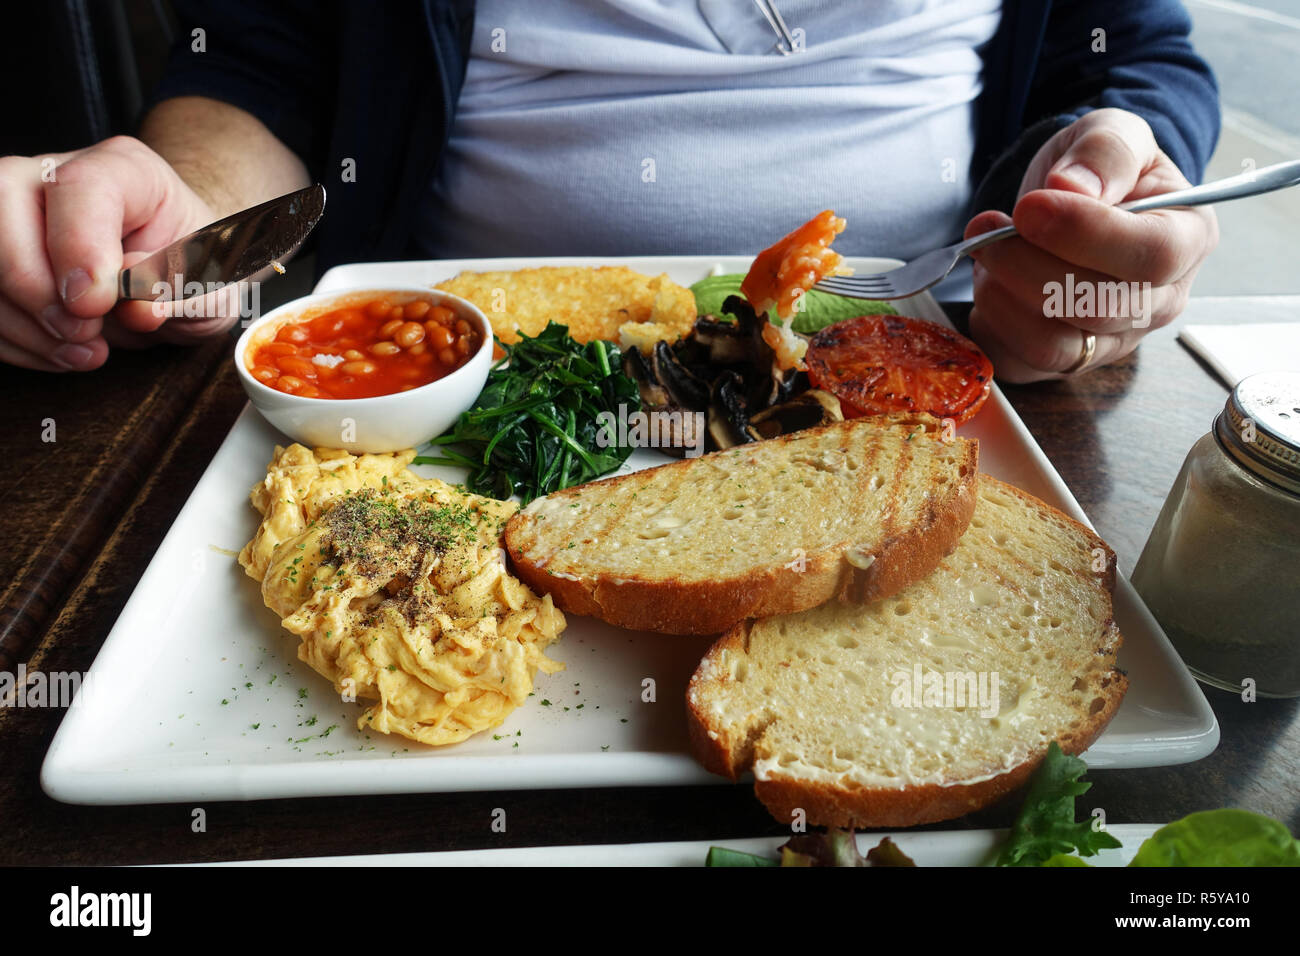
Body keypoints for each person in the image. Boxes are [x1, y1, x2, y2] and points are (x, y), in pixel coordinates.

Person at [0, 0, 1220, 383]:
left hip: (941, 350)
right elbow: (258, 59)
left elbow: (1135, 58)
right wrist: (187, 213)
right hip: (444, 363)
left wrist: (1107, 176)